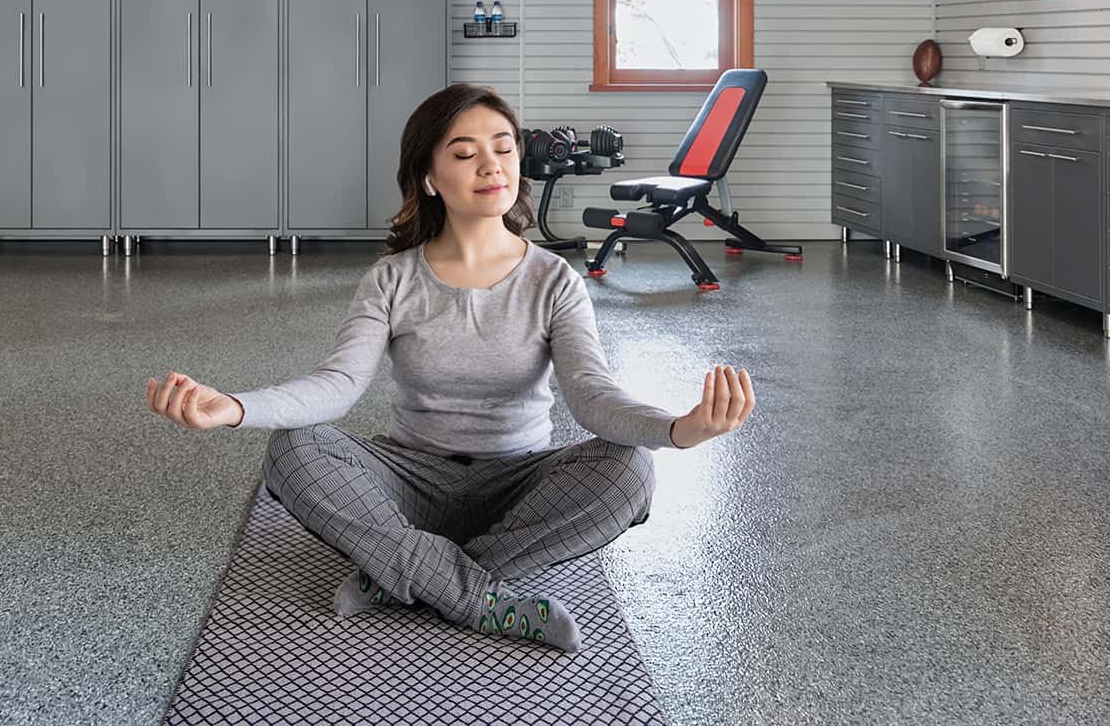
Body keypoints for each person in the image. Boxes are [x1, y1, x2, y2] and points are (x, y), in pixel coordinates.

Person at [146, 83, 756, 654]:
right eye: (465, 153)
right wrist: (235, 407)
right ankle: (479, 596)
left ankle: (401, 573)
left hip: (516, 484)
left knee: (629, 468)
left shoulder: (554, 281)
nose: (491, 166)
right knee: (295, 449)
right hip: (408, 481)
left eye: (504, 148)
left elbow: (591, 395)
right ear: (431, 178)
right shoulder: (391, 278)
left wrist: (677, 428)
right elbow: (337, 386)